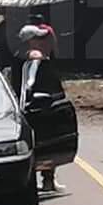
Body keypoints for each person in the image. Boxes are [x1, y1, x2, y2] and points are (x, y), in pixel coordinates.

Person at [15, 21, 65, 193]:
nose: (45, 42)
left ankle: (48, 180)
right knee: (39, 144)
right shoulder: (33, 59)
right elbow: (29, 83)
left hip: (41, 105)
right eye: (39, 39)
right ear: (30, 41)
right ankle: (38, 180)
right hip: (34, 108)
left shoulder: (35, 58)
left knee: (46, 143)